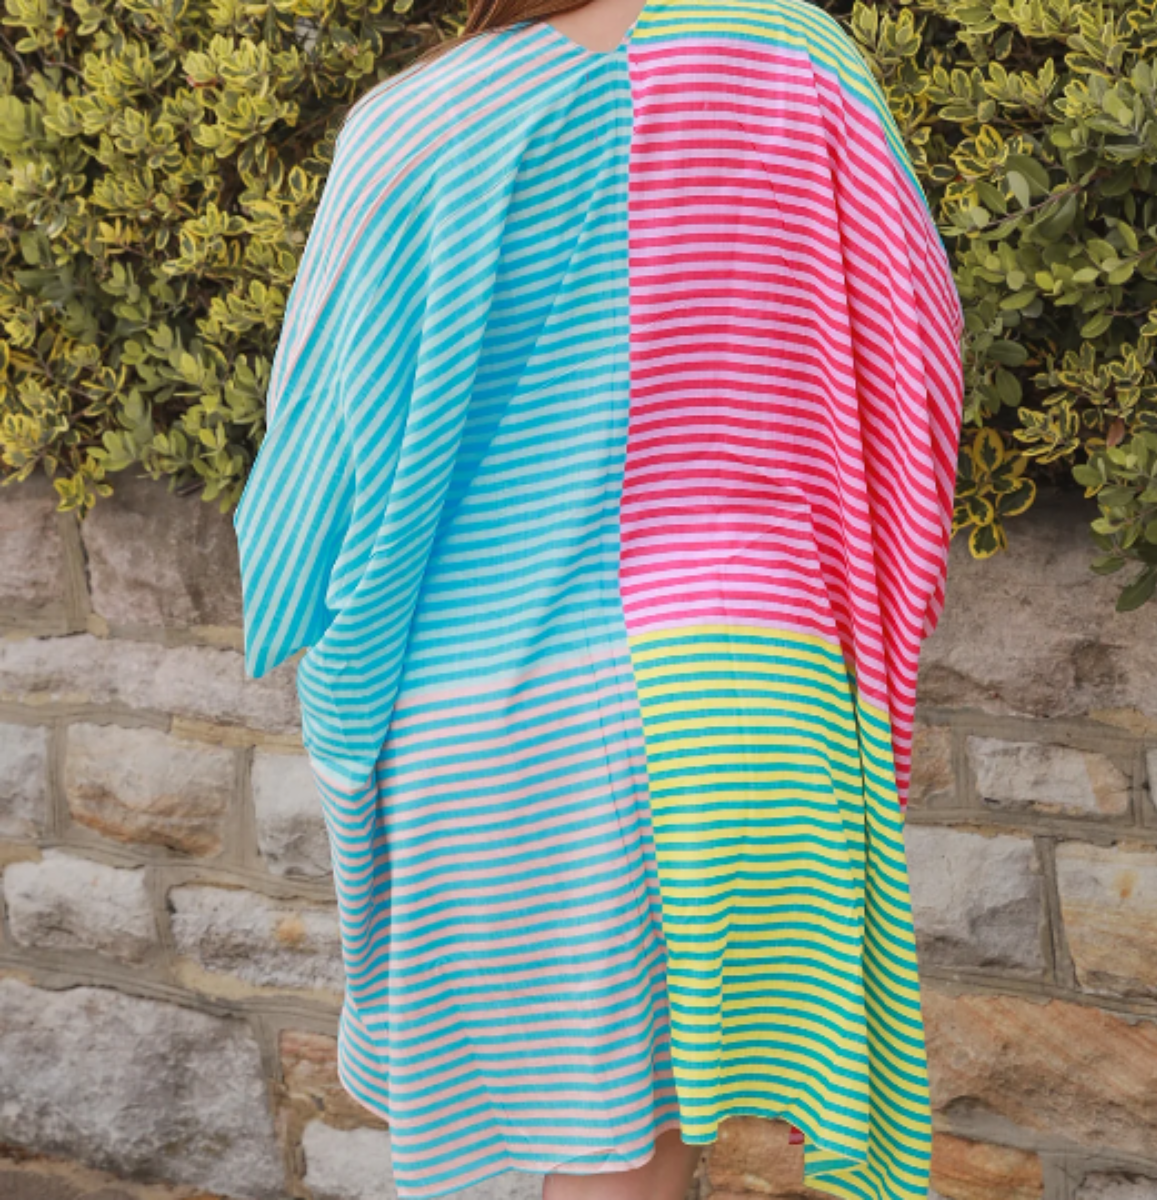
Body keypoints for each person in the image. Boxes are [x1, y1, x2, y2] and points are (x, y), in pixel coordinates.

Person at [233, 0, 964, 1194]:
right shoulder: (800, 56)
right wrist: (850, 624)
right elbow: (918, 359)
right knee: (650, 1159)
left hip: (499, 730)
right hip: (753, 686)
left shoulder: (411, 128)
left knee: (595, 1160)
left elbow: (311, 480)